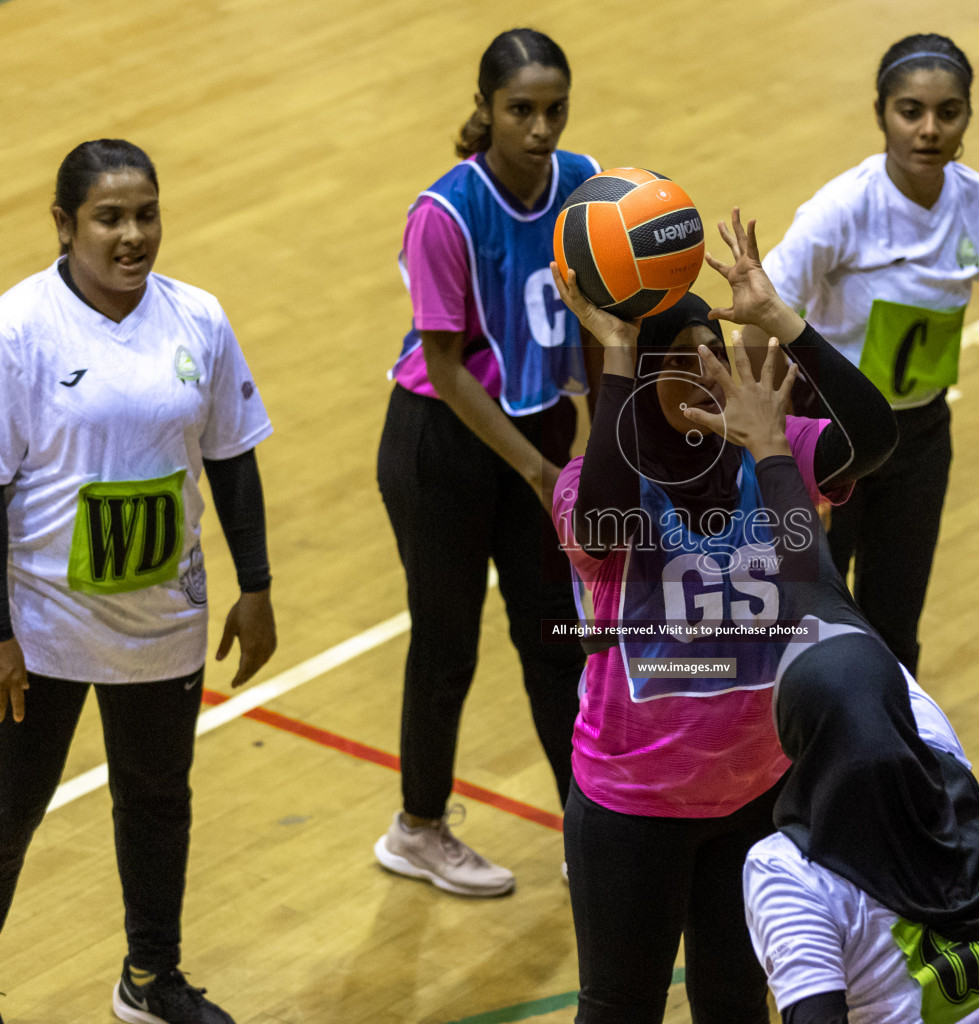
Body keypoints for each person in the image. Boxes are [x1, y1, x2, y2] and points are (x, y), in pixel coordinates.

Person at [0, 139, 276, 1024]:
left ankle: (149, 978)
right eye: (110, 218)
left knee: (158, 800)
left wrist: (258, 583)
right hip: (42, 628)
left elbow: (232, 459)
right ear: (63, 224)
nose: (134, 236)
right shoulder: (12, 331)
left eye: (147, 214)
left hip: (165, 619)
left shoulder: (197, 318)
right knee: (5, 811)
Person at [549, 209, 898, 1023]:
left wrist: (780, 319)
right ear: (636, 372)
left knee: (736, 1005)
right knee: (618, 1009)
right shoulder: (594, 482)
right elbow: (599, 515)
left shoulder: (779, 450)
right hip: (631, 804)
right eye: (676, 357)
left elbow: (876, 438)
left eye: (712, 347)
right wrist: (615, 353)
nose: (704, 366)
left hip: (758, 792)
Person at [759, 32, 979, 674]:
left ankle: (889, 766)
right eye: (910, 111)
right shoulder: (839, 211)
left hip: (921, 436)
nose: (929, 130)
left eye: (948, 113)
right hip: (829, 437)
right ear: (881, 114)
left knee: (895, 628)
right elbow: (759, 317)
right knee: (809, 624)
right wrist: (759, 449)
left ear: (967, 117)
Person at [373, 27, 600, 897]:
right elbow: (443, 365)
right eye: (521, 111)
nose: (540, 129)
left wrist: (594, 426)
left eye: (554, 111)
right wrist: (542, 475)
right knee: (446, 643)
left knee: (558, 637)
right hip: (444, 444)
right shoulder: (445, 213)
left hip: (540, 431)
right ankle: (418, 828)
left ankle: (591, 828)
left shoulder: (583, 184)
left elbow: (596, 309)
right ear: (486, 109)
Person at [737, 405, 979, 1024]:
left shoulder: (793, 874)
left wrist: (769, 447)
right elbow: (828, 601)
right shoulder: (937, 750)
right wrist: (770, 447)